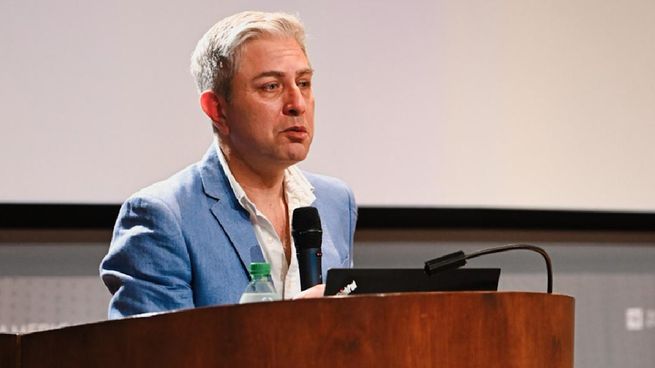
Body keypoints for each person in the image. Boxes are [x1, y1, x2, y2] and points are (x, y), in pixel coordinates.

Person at [99, 11, 357, 319]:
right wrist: (286, 335)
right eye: (271, 86)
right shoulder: (162, 216)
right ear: (217, 109)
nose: (297, 103)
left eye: (303, 83)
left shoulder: (335, 202)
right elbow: (153, 355)